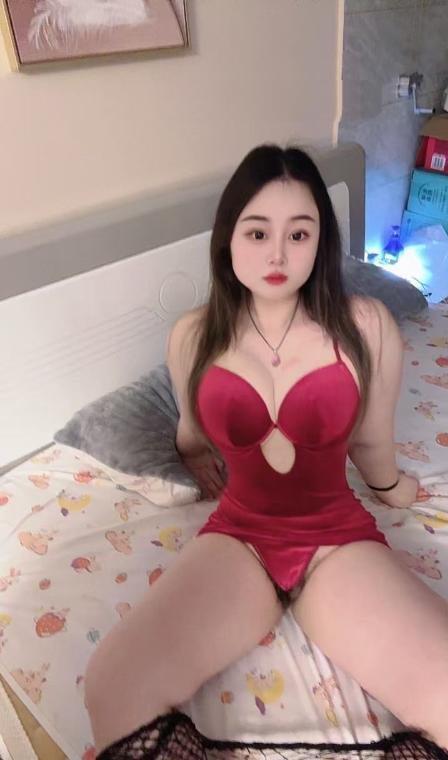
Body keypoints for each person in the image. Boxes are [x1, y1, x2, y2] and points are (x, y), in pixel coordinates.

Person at [85, 144, 448, 759]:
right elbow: (193, 434)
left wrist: (394, 489)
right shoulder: (193, 336)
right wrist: (190, 461)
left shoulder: (366, 325)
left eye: (298, 234)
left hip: (337, 539)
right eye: (257, 233)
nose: (277, 254)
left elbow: (371, 443)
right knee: (112, 685)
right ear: (228, 239)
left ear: (320, 242)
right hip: (239, 537)